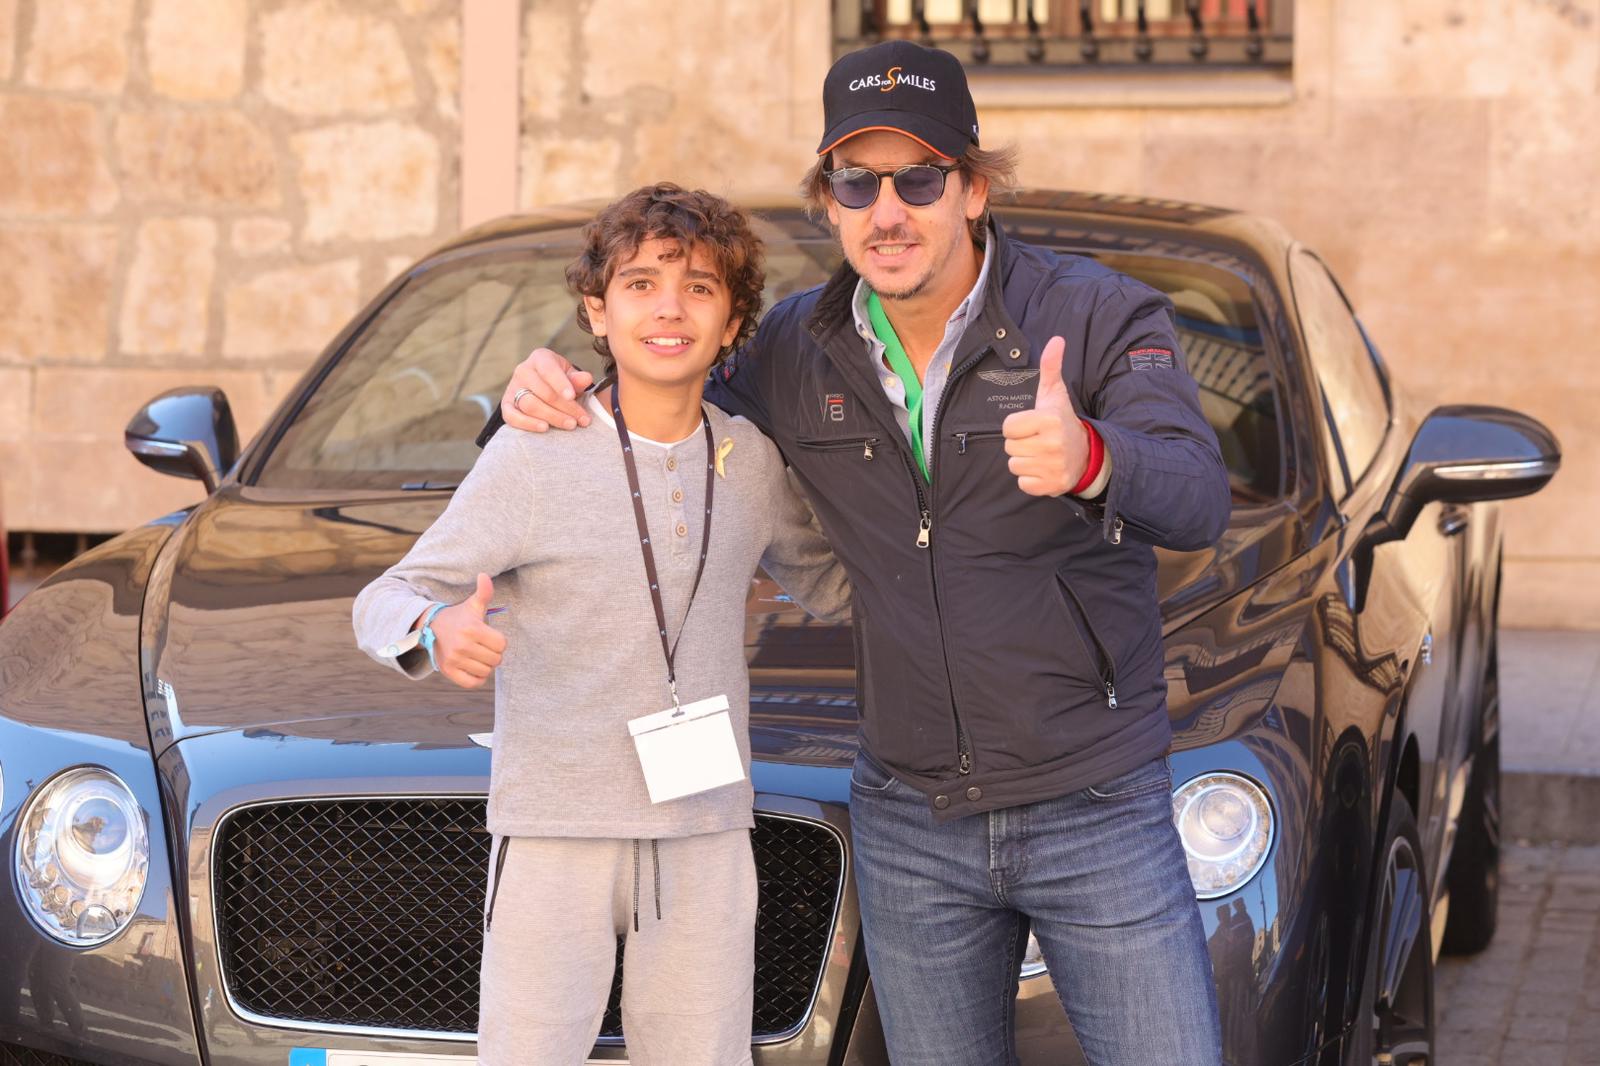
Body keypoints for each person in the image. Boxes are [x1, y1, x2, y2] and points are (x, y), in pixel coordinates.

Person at [486, 40, 1231, 1066]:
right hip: (911, 822)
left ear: (971, 189)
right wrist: (539, 400)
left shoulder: (1093, 314)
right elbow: (656, 420)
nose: (887, 210)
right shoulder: (797, 347)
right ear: (828, 201)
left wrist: (1094, 454)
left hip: (1092, 801)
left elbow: (1197, 495)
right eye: (855, 180)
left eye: (918, 178)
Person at [352, 183, 850, 1066]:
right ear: (597, 310)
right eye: (642, 283)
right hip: (554, 832)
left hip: (703, 834)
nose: (670, 307)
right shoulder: (534, 453)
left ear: (733, 323)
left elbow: (841, 588)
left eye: (699, 288)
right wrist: (433, 628)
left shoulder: (752, 462)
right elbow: (385, 597)